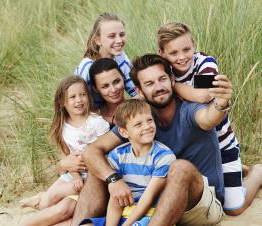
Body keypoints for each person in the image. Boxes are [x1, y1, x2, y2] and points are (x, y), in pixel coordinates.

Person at [71, 53, 236, 226]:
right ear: (140, 91)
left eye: (162, 79)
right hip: (150, 209)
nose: (158, 87)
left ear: (172, 80)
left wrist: (221, 104)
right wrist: (113, 180)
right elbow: (92, 151)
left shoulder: (189, 110)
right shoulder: (141, 119)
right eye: (149, 83)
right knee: (100, 166)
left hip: (199, 206)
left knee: (179, 167)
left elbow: (209, 118)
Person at [157, 22, 262, 215]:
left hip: (223, 146)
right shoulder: (163, 70)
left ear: (194, 45)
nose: (181, 57)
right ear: (162, 53)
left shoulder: (203, 63)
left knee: (233, 209)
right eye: (173, 53)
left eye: (186, 49)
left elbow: (205, 95)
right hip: (195, 151)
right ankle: (238, 170)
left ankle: (257, 173)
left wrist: (172, 86)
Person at [20, 76, 109, 226]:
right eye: (73, 97)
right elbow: (67, 155)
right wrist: (75, 177)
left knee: (63, 207)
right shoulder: (63, 126)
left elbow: (106, 153)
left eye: (83, 94)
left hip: (92, 177)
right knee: (48, 201)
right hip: (73, 175)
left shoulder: (97, 122)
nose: (79, 100)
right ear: (63, 102)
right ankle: (40, 200)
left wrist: (82, 178)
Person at [81, 99, 176, 226]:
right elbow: (116, 198)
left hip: (150, 215)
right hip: (123, 213)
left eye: (149, 120)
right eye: (138, 124)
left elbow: (148, 199)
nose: (147, 126)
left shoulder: (163, 156)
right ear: (124, 132)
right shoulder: (118, 155)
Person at [74, 12, 138, 108]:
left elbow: (135, 91)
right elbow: (77, 104)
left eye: (122, 34)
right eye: (112, 36)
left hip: (114, 113)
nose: (119, 40)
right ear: (98, 40)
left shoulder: (121, 57)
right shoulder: (87, 67)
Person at [88, 58, 127, 127]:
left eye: (116, 82)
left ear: (123, 77)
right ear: (95, 89)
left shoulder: (140, 108)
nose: (113, 90)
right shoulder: (92, 119)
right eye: (105, 86)